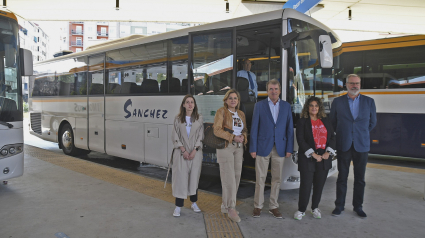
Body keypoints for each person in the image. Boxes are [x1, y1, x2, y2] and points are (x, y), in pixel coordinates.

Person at [330, 74, 377, 218]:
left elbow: (372, 122)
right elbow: (333, 122)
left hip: (361, 145)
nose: (354, 86)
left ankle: (358, 206)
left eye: (357, 83)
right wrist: (346, 133)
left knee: (360, 179)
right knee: (342, 177)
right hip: (344, 144)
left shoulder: (369, 102)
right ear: (346, 85)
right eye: (351, 83)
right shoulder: (337, 102)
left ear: (360, 85)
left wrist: (359, 133)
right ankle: (339, 206)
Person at [250, 79, 294, 219]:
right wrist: (253, 148)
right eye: (270, 89)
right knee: (260, 178)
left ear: (279, 91)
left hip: (280, 148)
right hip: (262, 147)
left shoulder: (286, 106)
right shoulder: (259, 106)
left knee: (277, 179)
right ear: (267, 91)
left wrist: (289, 148)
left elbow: (289, 129)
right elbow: (254, 128)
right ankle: (258, 206)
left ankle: (273, 206)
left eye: (276, 89)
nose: (273, 91)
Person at [293, 96, 336, 220]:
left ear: (319, 108)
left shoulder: (325, 120)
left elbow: (333, 137)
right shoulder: (302, 121)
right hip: (308, 158)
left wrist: (328, 153)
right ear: (307, 107)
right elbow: (300, 140)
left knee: (319, 185)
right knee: (306, 185)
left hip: (324, 157)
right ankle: (301, 210)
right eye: (311, 105)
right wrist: (313, 154)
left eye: (316, 106)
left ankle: (315, 208)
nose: (314, 108)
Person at [214, 89, 248, 223]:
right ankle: (231, 208)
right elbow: (217, 130)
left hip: (239, 148)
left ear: (238, 101)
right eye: (230, 98)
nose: (233, 100)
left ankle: (225, 205)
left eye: (235, 98)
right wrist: (233, 137)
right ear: (226, 100)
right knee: (228, 179)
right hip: (226, 147)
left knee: (236, 177)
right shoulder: (221, 112)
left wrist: (243, 137)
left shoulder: (241, 114)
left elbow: (245, 130)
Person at [171, 95, 204, 217]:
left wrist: (195, 150)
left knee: (194, 178)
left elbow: (201, 136)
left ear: (194, 105)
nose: (190, 104)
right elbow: (175, 136)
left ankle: (194, 203)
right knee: (180, 180)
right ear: (183, 105)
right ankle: (178, 206)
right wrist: (183, 150)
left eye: (192, 102)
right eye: (187, 102)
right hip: (181, 154)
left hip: (195, 153)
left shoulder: (199, 118)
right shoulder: (178, 119)